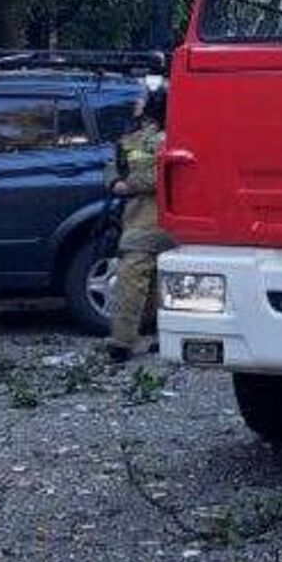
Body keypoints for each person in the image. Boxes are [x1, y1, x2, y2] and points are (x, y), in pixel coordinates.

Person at [106, 85, 171, 361]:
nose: (136, 103)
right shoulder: (179, 135)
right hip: (176, 222)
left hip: (145, 219)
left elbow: (127, 173)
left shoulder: (141, 140)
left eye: (142, 100)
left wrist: (120, 185)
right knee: (165, 280)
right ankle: (166, 337)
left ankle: (121, 342)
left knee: (131, 279)